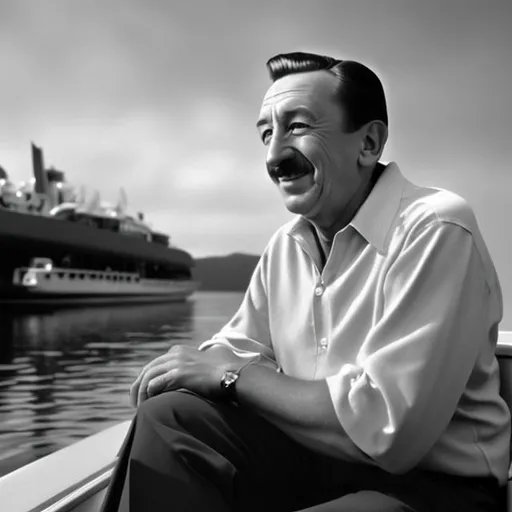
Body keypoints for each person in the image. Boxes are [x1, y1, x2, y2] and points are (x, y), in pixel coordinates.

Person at [100, 52, 510, 512]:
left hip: (433, 488)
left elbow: (392, 432)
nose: (274, 156)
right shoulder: (285, 247)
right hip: (314, 462)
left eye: (297, 127)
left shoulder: (435, 228)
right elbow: (233, 348)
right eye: (266, 134)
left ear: (369, 143)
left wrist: (231, 377)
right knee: (169, 416)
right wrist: (200, 371)